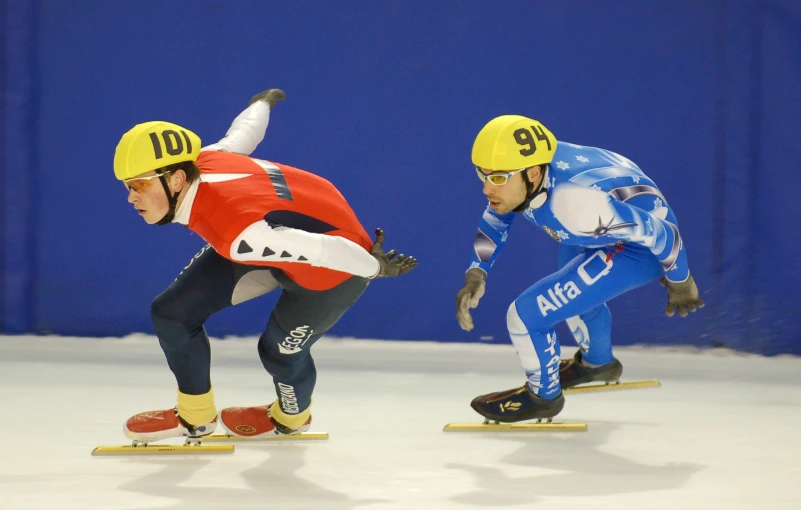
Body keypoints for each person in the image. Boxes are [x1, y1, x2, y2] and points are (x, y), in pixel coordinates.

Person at [114, 89, 418, 442]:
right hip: (281, 233)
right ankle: (196, 417)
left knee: (280, 353)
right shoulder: (206, 159)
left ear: (177, 180)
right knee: (171, 313)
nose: (130, 196)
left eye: (138, 185)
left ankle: (291, 418)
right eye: (126, 186)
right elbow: (243, 135)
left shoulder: (237, 233)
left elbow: (318, 249)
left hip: (337, 267)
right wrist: (260, 105)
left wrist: (374, 267)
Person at [456, 115, 703, 423]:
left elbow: (664, 234)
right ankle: (597, 362)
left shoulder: (576, 204)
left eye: (498, 178)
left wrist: (679, 276)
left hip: (639, 247)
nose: (486, 189)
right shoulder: (532, 176)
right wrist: (477, 271)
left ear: (533, 173)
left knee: (526, 315)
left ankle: (542, 397)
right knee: (572, 285)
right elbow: (496, 218)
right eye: (483, 175)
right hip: (599, 228)